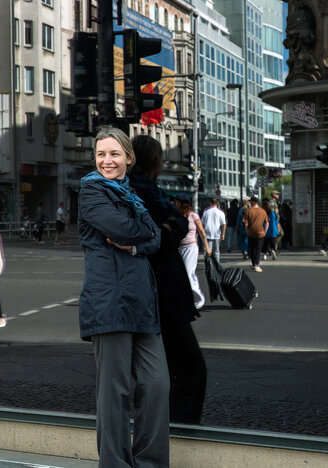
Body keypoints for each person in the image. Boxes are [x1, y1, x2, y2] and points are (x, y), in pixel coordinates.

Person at [78, 126, 169, 467]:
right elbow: (128, 229)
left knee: (156, 385)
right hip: (110, 302)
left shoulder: (131, 194)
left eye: (115, 154)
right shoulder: (92, 192)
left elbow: (154, 237)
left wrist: (136, 241)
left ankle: (150, 463)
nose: (107, 161)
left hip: (142, 303)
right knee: (114, 393)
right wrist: (139, 238)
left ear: (129, 158)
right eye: (101, 154)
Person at [130, 135, 207, 425]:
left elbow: (177, 224)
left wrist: (172, 226)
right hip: (158, 291)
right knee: (189, 367)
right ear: (156, 162)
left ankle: (165, 428)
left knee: (163, 368)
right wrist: (170, 228)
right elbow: (163, 234)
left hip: (155, 291)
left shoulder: (151, 193)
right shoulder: (138, 194)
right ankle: (177, 431)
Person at [176, 193, 212, 310]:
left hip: (191, 247)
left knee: (188, 272)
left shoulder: (193, 216)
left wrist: (207, 247)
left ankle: (199, 299)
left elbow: (201, 232)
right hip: (179, 247)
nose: (176, 203)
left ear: (183, 204)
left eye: (178, 202)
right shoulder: (176, 215)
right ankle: (189, 299)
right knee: (185, 274)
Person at [243, 196, 269, 273]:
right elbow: (267, 222)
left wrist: (247, 231)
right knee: (258, 249)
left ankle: (253, 263)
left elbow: (246, 223)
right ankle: (256, 264)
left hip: (251, 232)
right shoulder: (263, 211)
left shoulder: (248, 211)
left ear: (253, 202)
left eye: (251, 201)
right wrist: (265, 231)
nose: (250, 203)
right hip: (260, 233)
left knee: (252, 248)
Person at [201, 197, 226, 263]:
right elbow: (223, 224)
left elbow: (202, 224)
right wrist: (223, 234)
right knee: (217, 251)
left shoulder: (205, 211)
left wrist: (201, 232)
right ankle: (217, 265)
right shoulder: (221, 212)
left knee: (208, 251)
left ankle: (208, 264)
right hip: (217, 233)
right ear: (217, 203)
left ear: (210, 202)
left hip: (207, 233)